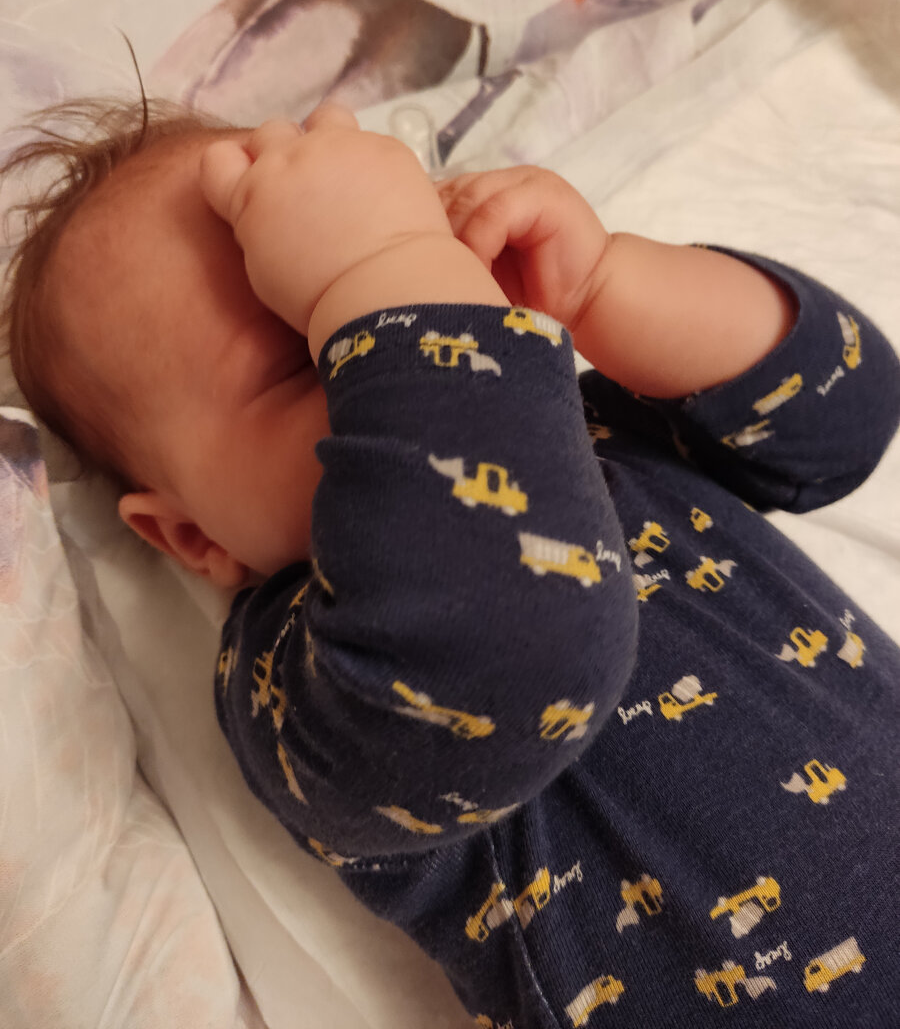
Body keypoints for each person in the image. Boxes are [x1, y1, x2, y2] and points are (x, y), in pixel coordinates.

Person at [2, 97, 898, 1027]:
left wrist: (604, 283)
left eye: (421, 255)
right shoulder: (302, 674)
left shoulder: (595, 428)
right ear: (197, 538)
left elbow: (845, 418)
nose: (402, 339)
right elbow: (519, 639)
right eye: (318, 352)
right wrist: (377, 267)